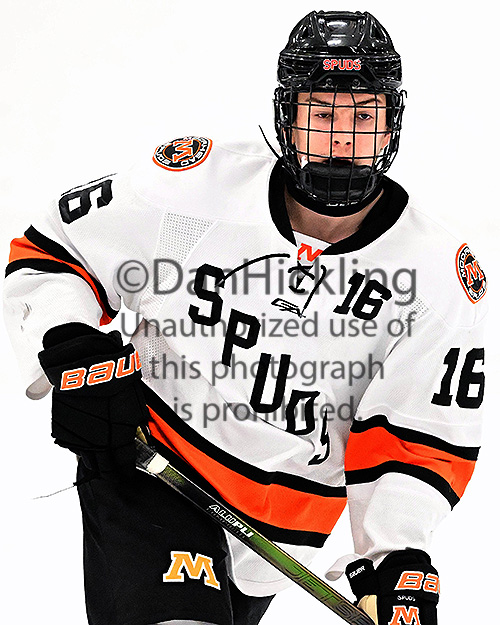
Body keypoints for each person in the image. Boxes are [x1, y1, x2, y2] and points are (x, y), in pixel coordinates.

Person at [3, 10, 486, 625]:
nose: (341, 139)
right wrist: (73, 349)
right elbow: (53, 251)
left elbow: (419, 438)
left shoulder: (439, 278)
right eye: (321, 114)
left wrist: (395, 556)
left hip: (277, 541)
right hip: (150, 463)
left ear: (393, 121)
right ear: (286, 116)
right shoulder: (193, 189)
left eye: (362, 116)